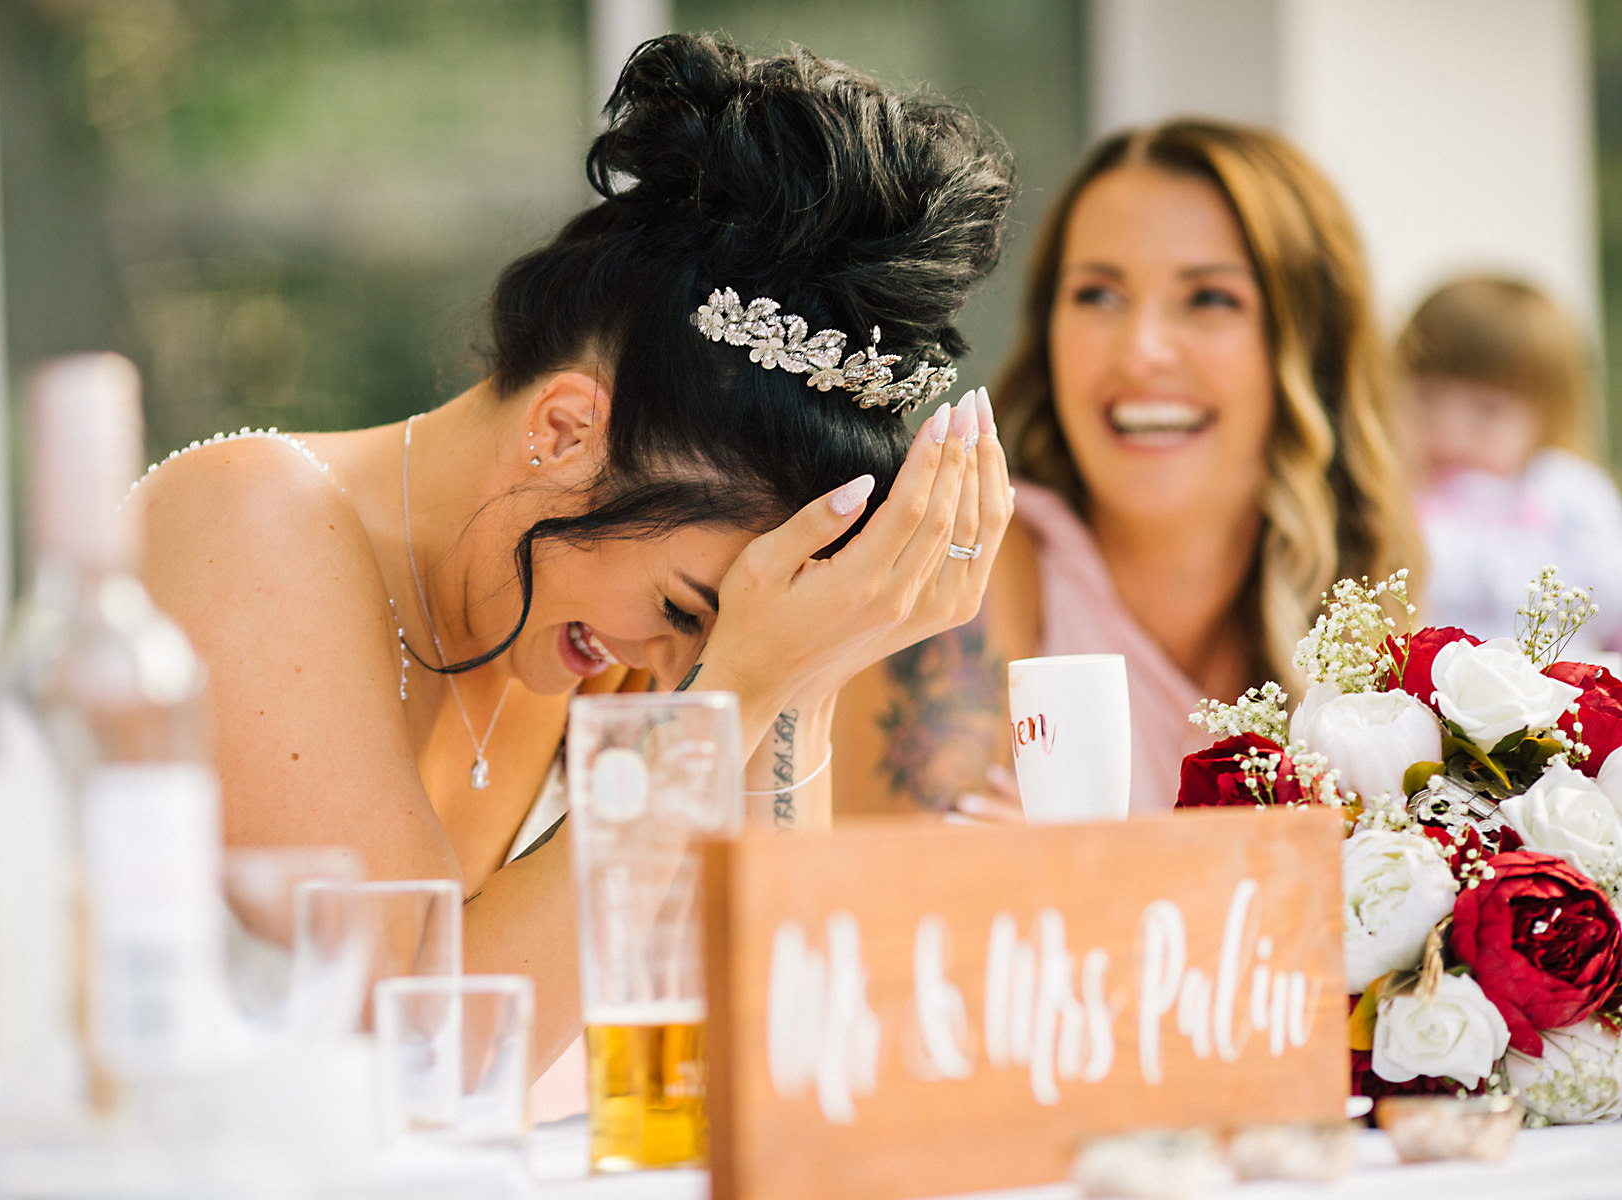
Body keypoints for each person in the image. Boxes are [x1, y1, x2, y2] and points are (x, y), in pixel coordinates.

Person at [131, 33, 1015, 1077]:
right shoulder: (250, 521)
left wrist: (801, 677)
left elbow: (770, 1034)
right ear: (562, 430)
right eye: (687, 608)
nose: (676, 660)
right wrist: (734, 692)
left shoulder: (597, 631)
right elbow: (420, 1051)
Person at [832, 119, 1420, 818]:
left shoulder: (1374, 616)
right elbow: (912, 878)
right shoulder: (969, 569)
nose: (1141, 351)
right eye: (1099, 294)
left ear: (1309, 350)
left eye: (1210, 298)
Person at [1397, 275, 1622, 654]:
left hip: (1558, 685)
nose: (1450, 433)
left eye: (1487, 412)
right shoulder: (1398, 496)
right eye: (1426, 398)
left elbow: (1612, 594)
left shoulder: (1569, 496)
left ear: (1548, 416)